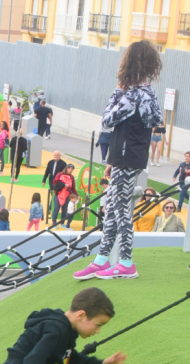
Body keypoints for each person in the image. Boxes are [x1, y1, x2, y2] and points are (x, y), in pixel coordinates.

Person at [75, 42, 162, 280]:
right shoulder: (149, 93)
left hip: (125, 156)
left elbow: (108, 120)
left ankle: (125, 262)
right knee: (113, 206)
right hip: (131, 155)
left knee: (120, 208)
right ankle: (102, 259)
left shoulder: (132, 95)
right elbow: (151, 122)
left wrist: (117, 91)